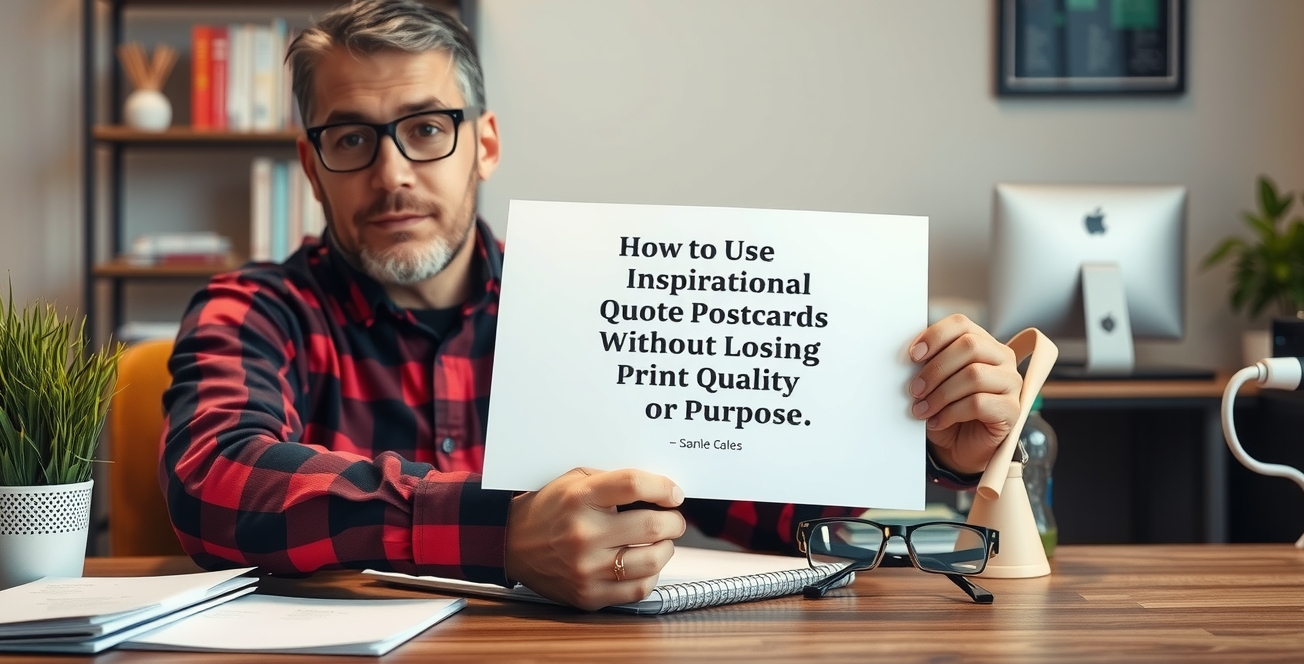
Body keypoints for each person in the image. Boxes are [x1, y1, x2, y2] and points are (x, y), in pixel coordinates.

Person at [160, 0, 1023, 611]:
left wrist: (930, 446)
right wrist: (501, 533)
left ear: (483, 144)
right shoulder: (256, 309)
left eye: (426, 129)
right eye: (351, 139)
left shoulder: (596, 299)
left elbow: (763, 492)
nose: (392, 173)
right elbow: (212, 483)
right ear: (312, 169)